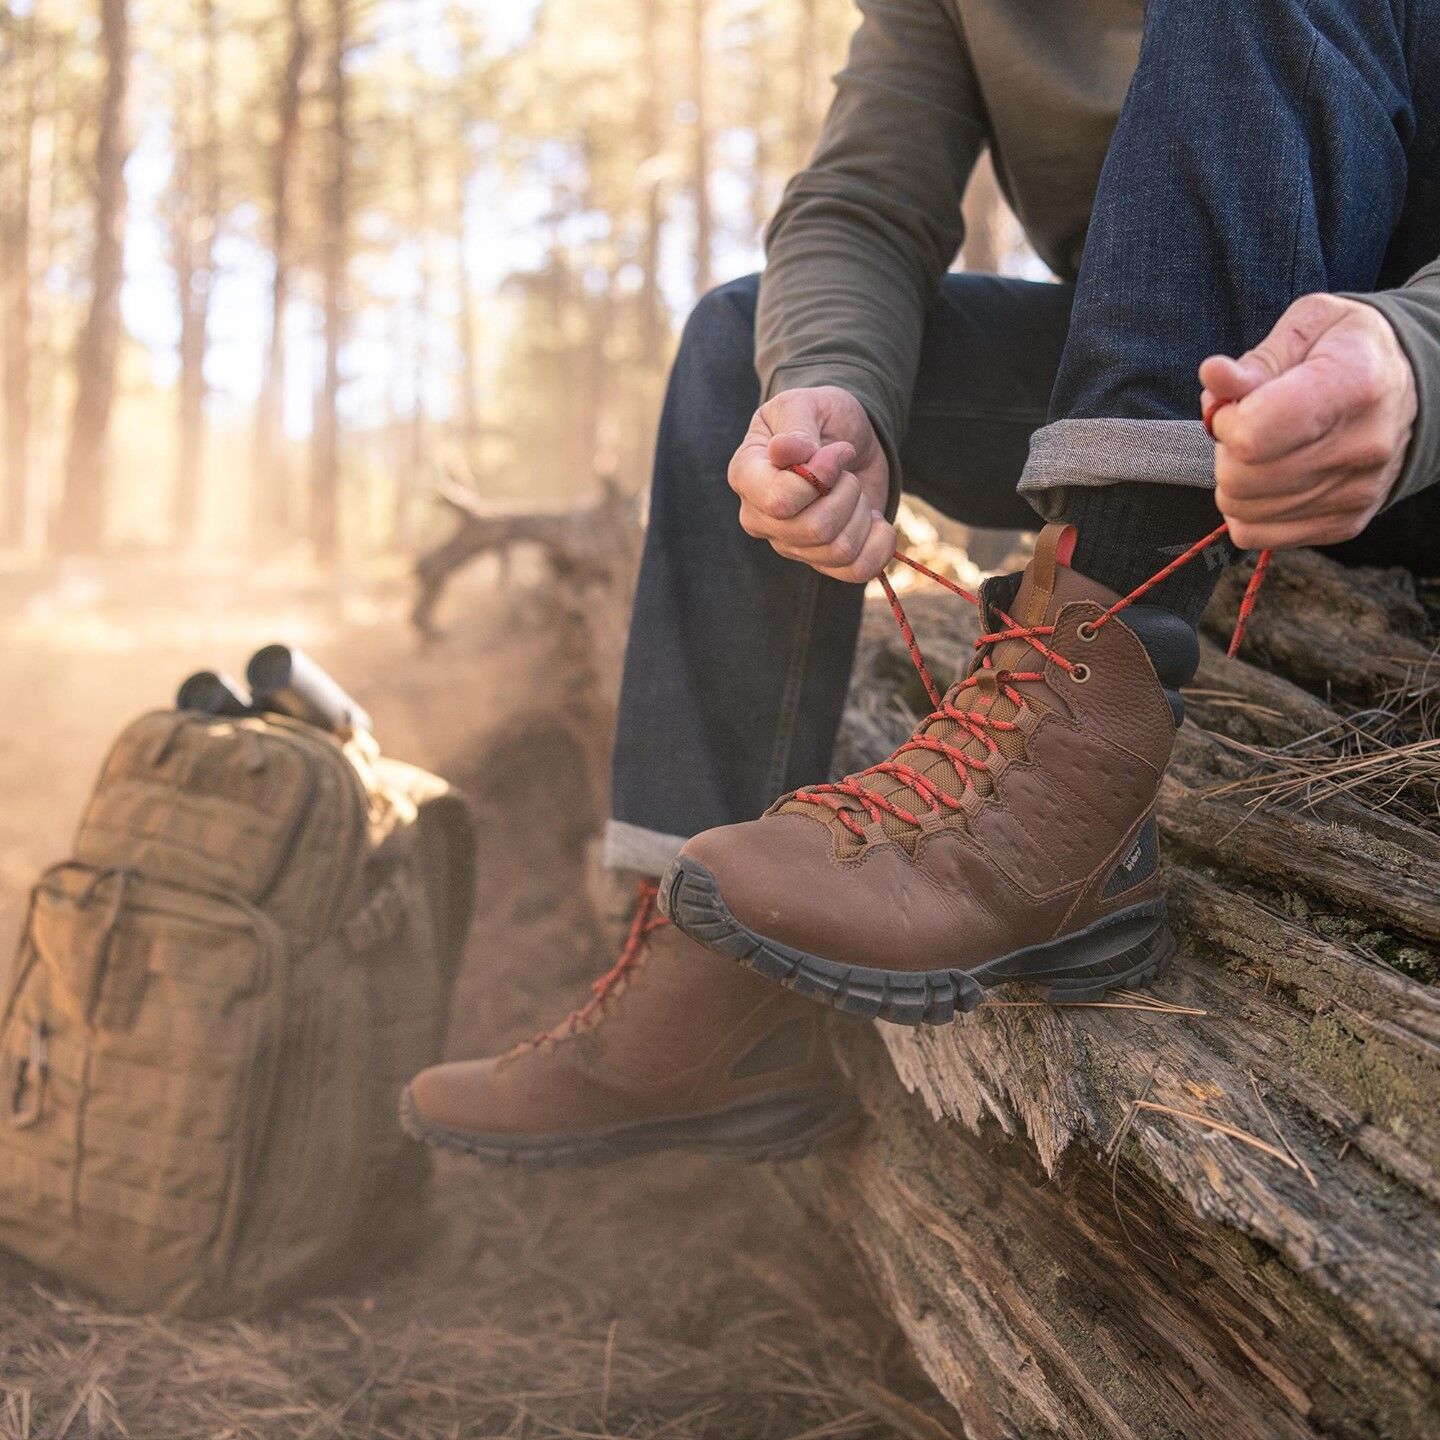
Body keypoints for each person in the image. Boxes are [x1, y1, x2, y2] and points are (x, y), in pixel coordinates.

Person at [401, 0, 1440, 1164]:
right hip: (1199, 412)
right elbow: (862, 205)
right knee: (741, 342)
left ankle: (1074, 785)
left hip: (1410, 418)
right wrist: (833, 392)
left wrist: (1416, 359)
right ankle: (705, 989)